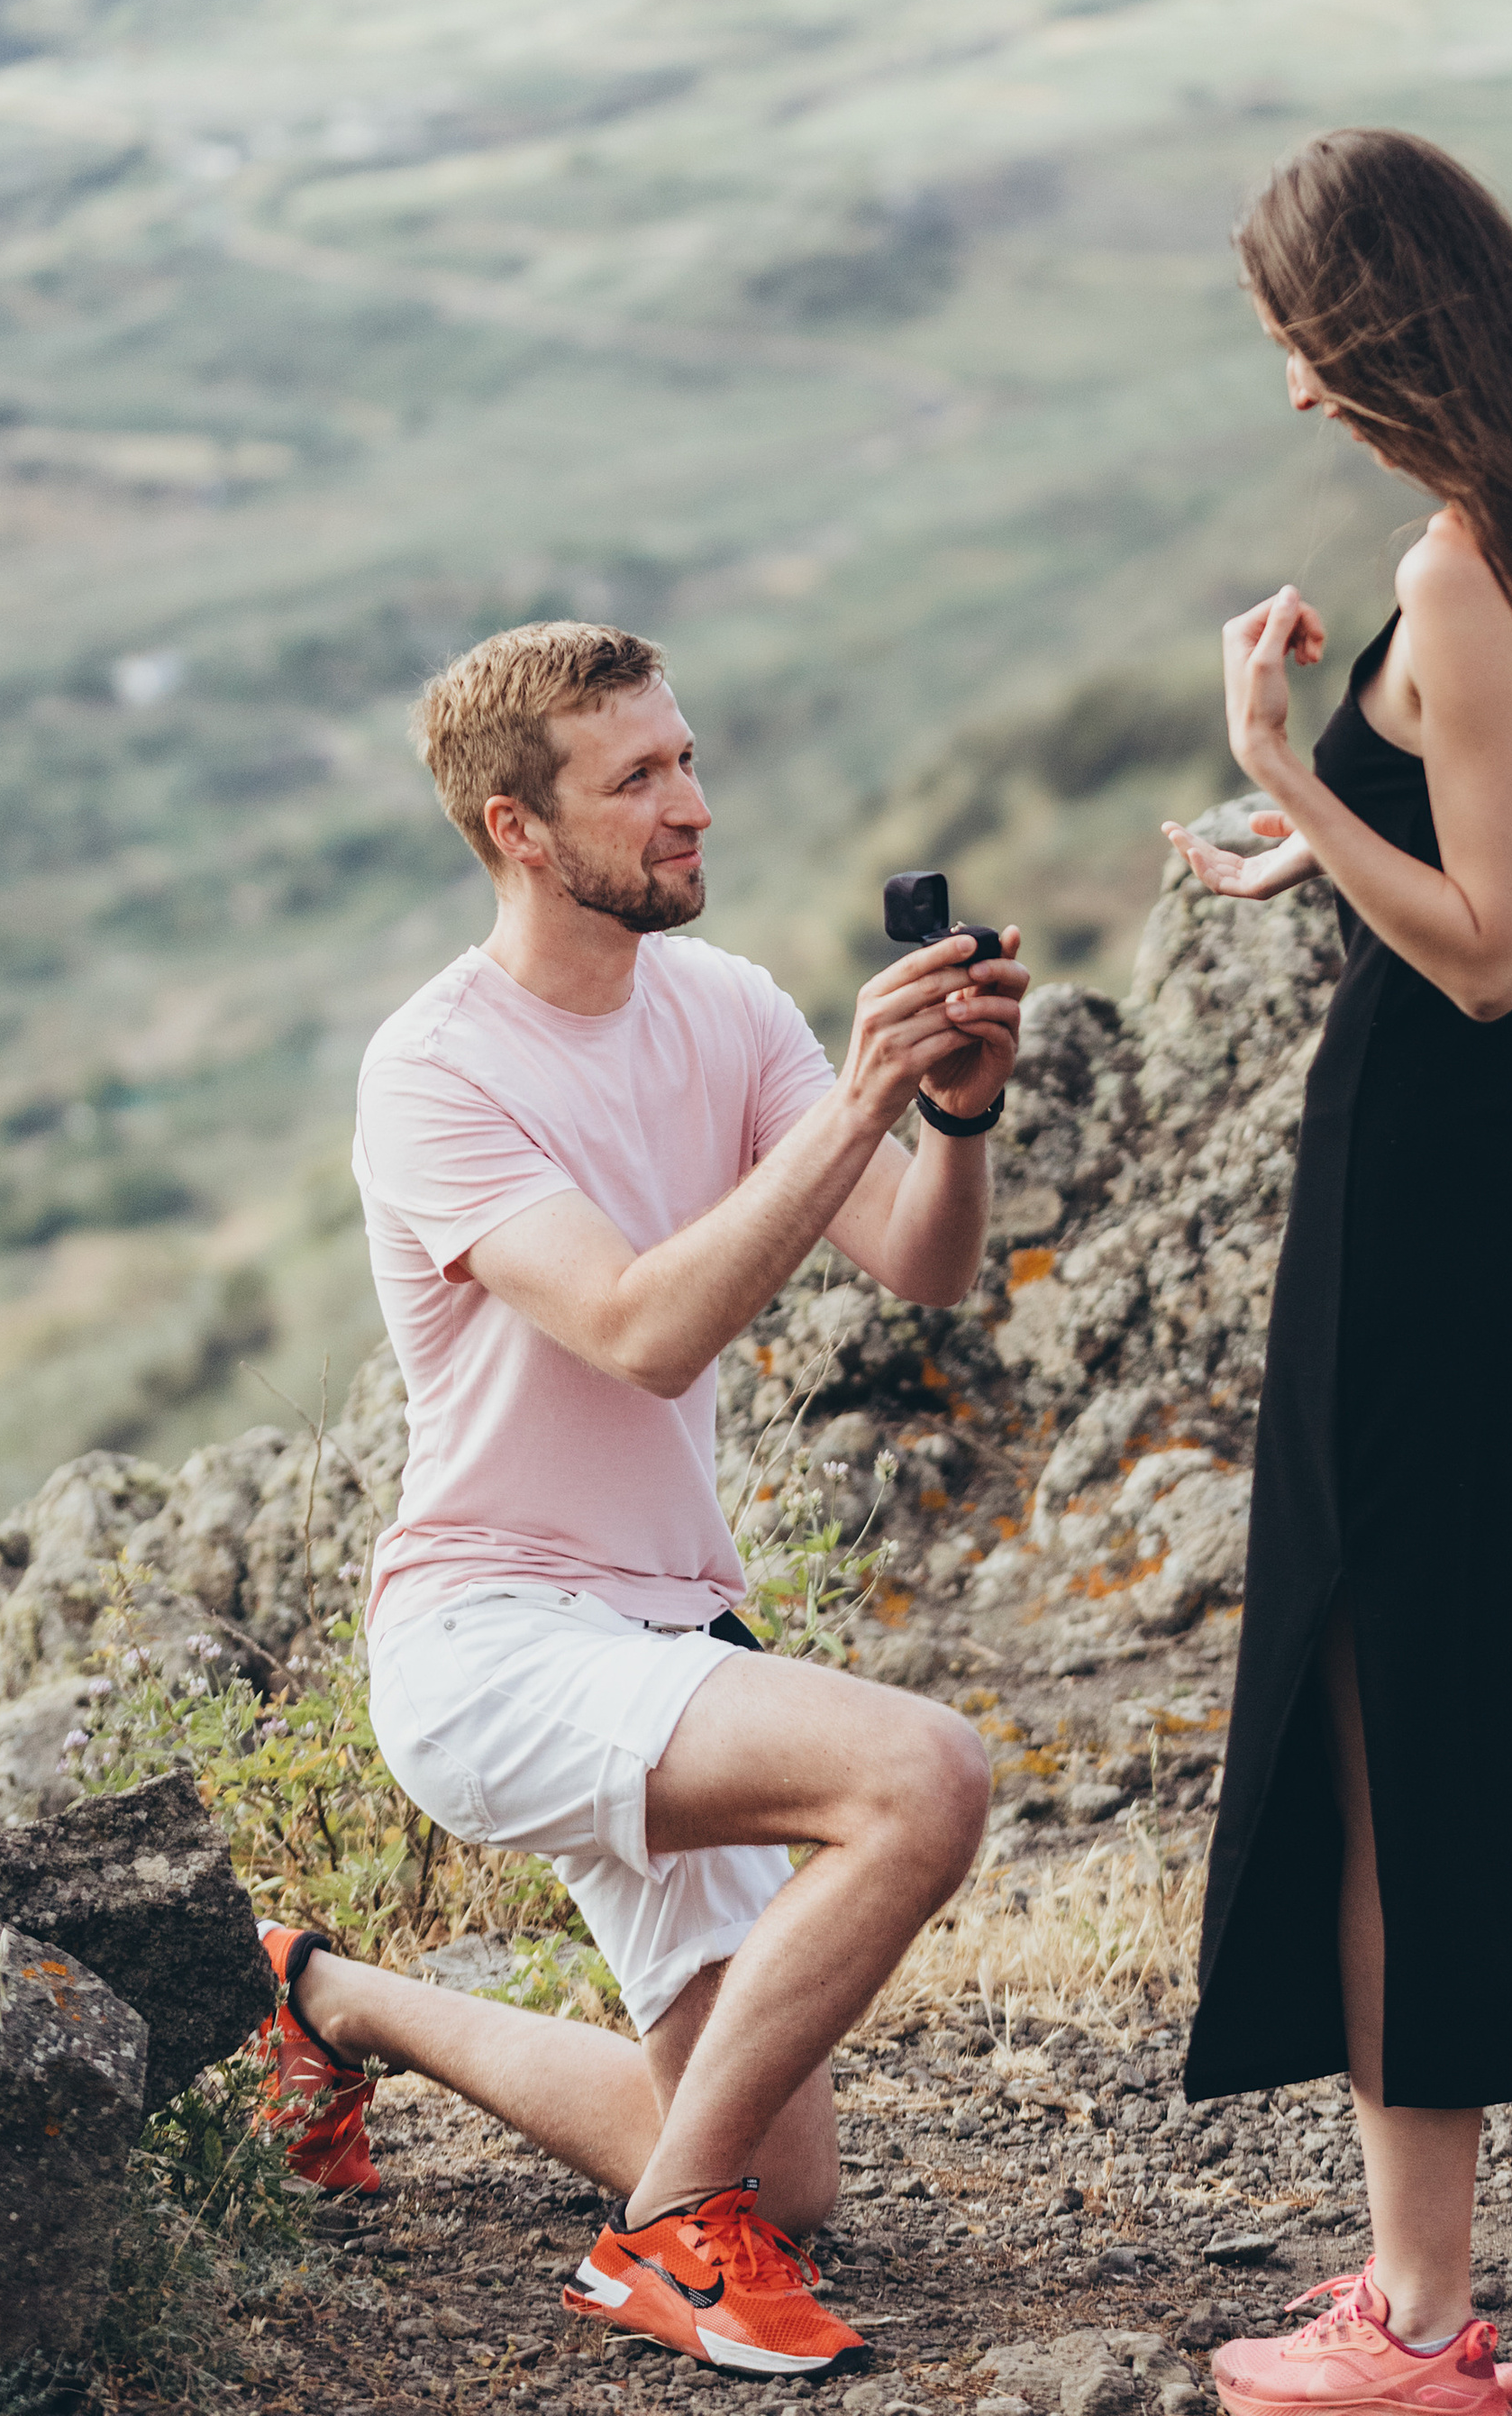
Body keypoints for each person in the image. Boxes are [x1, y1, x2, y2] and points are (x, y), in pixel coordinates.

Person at [250, 620, 1023, 2379]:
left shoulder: (728, 1005)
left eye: (683, 759)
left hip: (662, 1631)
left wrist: (953, 1118)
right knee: (923, 1776)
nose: (690, 805)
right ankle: (665, 2242)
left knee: (795, 2177)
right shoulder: (433, 1068)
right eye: (638, 779)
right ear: (519, 830)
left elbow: (916, 1260)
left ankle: (324, 1995)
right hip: (492, 1643)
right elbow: (636, 1328)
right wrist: (861, 1098)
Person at [1160, 134, 1512, 2416]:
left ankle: (1409, 2327)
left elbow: (1498, 964)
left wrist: (1288, 778)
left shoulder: (1465, 573)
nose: (1296, 394)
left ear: (1381, 327)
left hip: (1436, 1217)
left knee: (1393, 1730)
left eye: (1303, 344)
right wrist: (1338, 848)